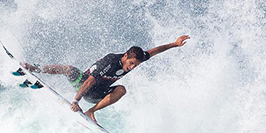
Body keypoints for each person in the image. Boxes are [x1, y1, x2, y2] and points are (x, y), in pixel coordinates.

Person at [15, 35, 190, 123]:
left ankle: (92, 111)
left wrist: (174, 44)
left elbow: (154, 51)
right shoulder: (111, 61)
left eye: (135, 65)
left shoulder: (137, 57)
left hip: (97, 94)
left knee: (121, 90)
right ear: (125, 55)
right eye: (131, 63)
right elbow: (90, 81)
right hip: (83, 84)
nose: (132, 67)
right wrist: (76, 100)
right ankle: (33, 68)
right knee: (67, 69)